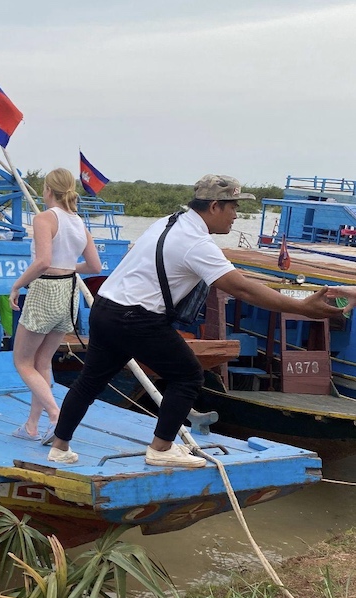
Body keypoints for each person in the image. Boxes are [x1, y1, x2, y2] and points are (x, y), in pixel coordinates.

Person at [48, 174, 344, 466]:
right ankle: (161, 449)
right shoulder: (196, 243)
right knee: (188, 376)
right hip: (137, 317)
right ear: (214, 206)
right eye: (233, 207)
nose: (236, 215)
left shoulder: (169, 221)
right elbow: (241, 288)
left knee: (90, 382)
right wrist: (302, 306)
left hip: (106, 308)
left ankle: (59, 447)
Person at [9, 168, 102, 443]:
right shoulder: (79, 223)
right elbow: (94, 266)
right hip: (69, 292)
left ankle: (55, 416)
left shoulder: (44, 218)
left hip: (46, 289)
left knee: (22, 361)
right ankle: (31, 426)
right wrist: (69, 266)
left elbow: (43, 262)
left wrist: (17, 285)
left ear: (48, 190)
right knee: (42, 361)